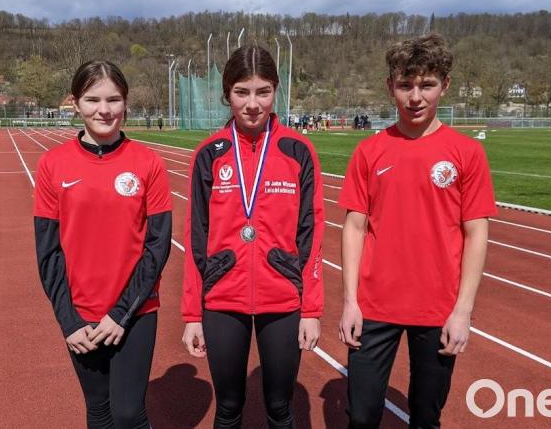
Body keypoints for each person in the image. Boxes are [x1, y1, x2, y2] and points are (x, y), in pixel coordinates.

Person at [338, 34, 497, 428]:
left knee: (426, 416)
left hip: (438, 308)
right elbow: (354, 227)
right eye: (405, 85)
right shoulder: (369, 151)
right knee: (361, 416)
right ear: (390, 86)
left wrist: (463, 311)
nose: (415, 97)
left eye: (426, 85)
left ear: (445, 85)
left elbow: (476, 234)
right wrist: (350, 301)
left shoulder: (467, 153)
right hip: (374, 306)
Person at [181, 45, 325, 429]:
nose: (252, 104)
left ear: (276, 90)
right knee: (229, 407)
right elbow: (196, 238)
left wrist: (311, 310)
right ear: (226, 93)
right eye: (241, 92)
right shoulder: (209, 154)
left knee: (279, 406)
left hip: (283, 299)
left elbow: (311, 234)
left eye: (263, 92)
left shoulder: (298, 151)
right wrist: (193, 315)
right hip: (222, 299)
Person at [33, 60, 172, 428]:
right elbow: (48, 252)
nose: (104, 110)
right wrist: (68, 321)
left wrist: (121, 314)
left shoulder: (148, 163)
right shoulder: (52, 164)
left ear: (125, 102)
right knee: (98, 409)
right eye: (93, 100)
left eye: (113, 99)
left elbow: (158, 246)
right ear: (76, 102)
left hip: (135, 311)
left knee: (128, 413)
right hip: (81, 315)